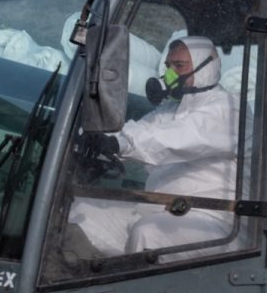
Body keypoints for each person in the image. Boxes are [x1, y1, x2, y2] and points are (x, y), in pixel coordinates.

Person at [70, 36, 240, 255]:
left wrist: (117, 144)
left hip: (210, 219)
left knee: (149, 234)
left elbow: (173, 140)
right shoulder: (171, 109)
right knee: (80, 210)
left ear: (205, 68)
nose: (170, 74)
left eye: (179, 66)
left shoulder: (228, 109)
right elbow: (137, 132)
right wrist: (86, 138)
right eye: (168, 66)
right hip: (159, 209)